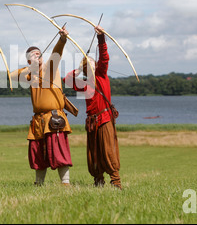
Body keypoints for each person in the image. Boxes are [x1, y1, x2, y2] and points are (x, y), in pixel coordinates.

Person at [10, 27, 73, 186]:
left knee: (59, 152)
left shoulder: (50, 68)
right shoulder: (29, 75)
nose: (37, 56)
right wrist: (31, 68)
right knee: (38, 153)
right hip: (38, 120)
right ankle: (38, 184)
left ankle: (65, 184)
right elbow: (11, 75)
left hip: (54, 118)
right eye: (33, 55)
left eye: (39, 54)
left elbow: (56, 54)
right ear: (28, 61)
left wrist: (62, 39)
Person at [63, 25, 122, 189]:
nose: (91, 63)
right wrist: (75, 71)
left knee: (108, 150)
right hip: (91, 121)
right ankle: (98, 181)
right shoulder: (84, 82)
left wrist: (101, 38)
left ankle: (116, 182)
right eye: (87, 62)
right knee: (93, 153)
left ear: (96, 65)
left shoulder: (101, 74)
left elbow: (104, 58)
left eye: (92, 61)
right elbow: (67, 81)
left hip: (104, 119)